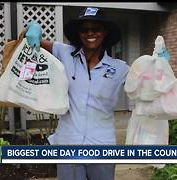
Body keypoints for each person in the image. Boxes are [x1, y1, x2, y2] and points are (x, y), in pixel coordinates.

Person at [25, 7, 129, 180]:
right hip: (69, 143)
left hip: (102, 146)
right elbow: (27, 40)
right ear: (78, 33)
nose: (90, 33)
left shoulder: (120, 68)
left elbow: (146, 85)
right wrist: (32, 28)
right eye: (84, 29)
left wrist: (157, 64)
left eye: (96, 29)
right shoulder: (65, 53)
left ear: (105, 33)